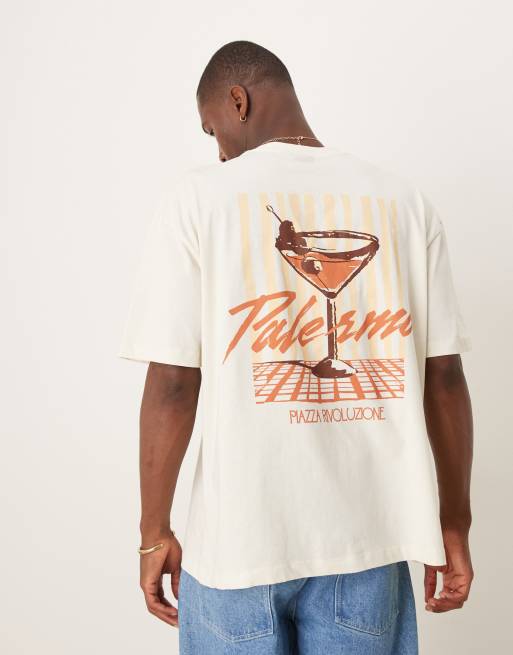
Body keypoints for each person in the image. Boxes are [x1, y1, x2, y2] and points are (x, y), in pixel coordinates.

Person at [118, 40, 474, 654]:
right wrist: (454, 522)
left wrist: (154, 532)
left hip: (237, 545)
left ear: (238, 101)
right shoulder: (404, 202)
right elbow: (443, 378)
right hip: (368, 542)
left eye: (212, 129)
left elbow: (173, 383)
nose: (218, 150)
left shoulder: (197, 200)